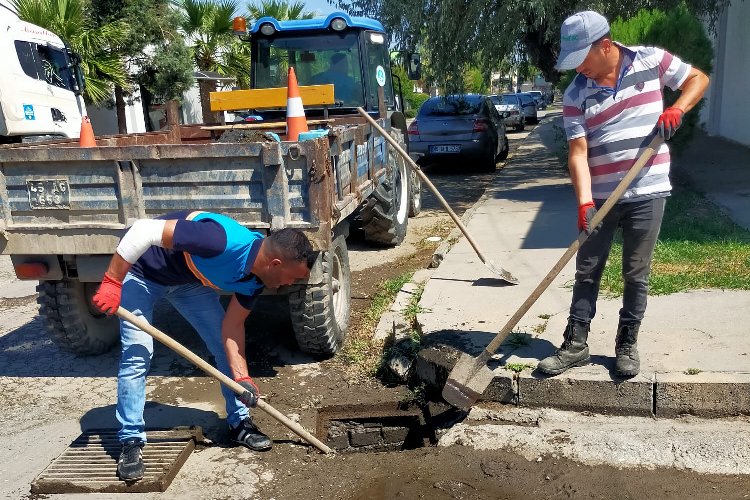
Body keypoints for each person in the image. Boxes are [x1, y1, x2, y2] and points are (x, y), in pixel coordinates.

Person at [538, 11, 709, 377]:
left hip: (648, 190)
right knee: (587, 269)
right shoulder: (575, 94)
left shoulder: (651, 60)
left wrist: (678, 107)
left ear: (605, 45)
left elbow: (698, 78)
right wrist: (584, 200)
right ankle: (575, 344)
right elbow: (578, 153)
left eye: (581, 60)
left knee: (636, 272)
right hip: (599, 197)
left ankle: (627, 343)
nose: (578, 69)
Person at [92, 211, 315, 481]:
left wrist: (242, 378)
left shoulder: (254, 280)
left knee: (222, 348)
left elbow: (232, 328)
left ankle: (239, 423)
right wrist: (112, 281)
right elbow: (142, 230)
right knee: (138, 355)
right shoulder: (218, 240)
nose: (290, 284)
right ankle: (131, 441)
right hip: (143, 273)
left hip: (187, 282)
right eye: (292, 277)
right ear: (276, 263)